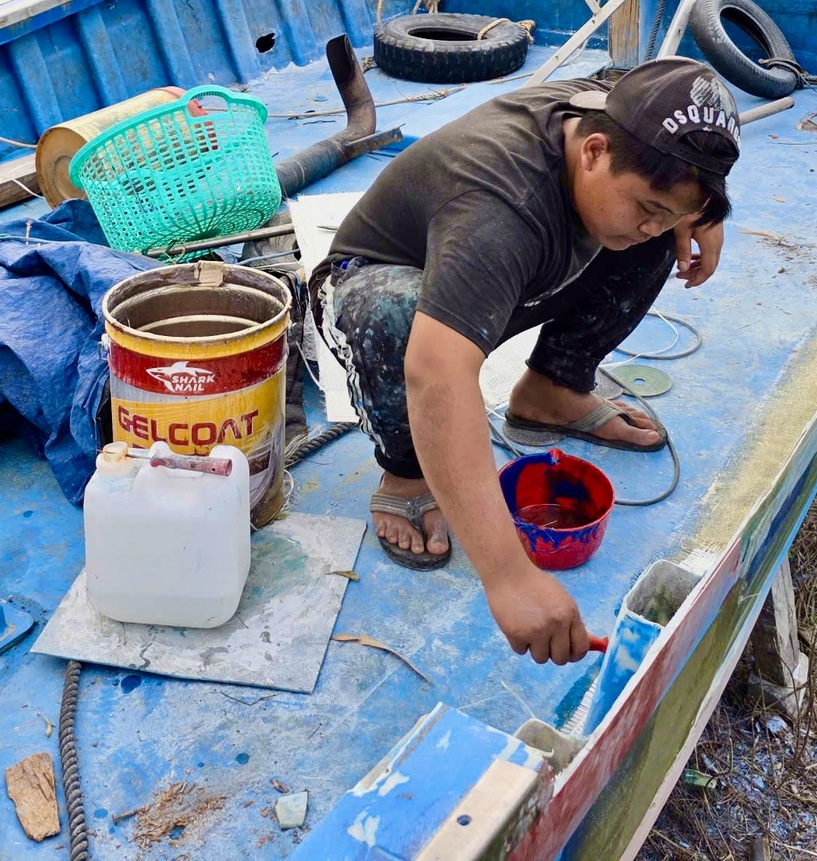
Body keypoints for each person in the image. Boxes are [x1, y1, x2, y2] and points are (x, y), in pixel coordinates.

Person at [307, 57, 739, 666]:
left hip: (511, 279)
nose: (655, 221)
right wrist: (508, 574)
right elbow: (436, 374)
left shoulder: (615, 117)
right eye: (649, 203)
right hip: (383, 283)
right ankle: (406, 471)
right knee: (397, 320)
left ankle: (552, 391)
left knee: (642, 236)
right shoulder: (499, 205)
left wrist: (699, 214)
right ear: (592, 151)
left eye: (670, 209)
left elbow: (644, 82)